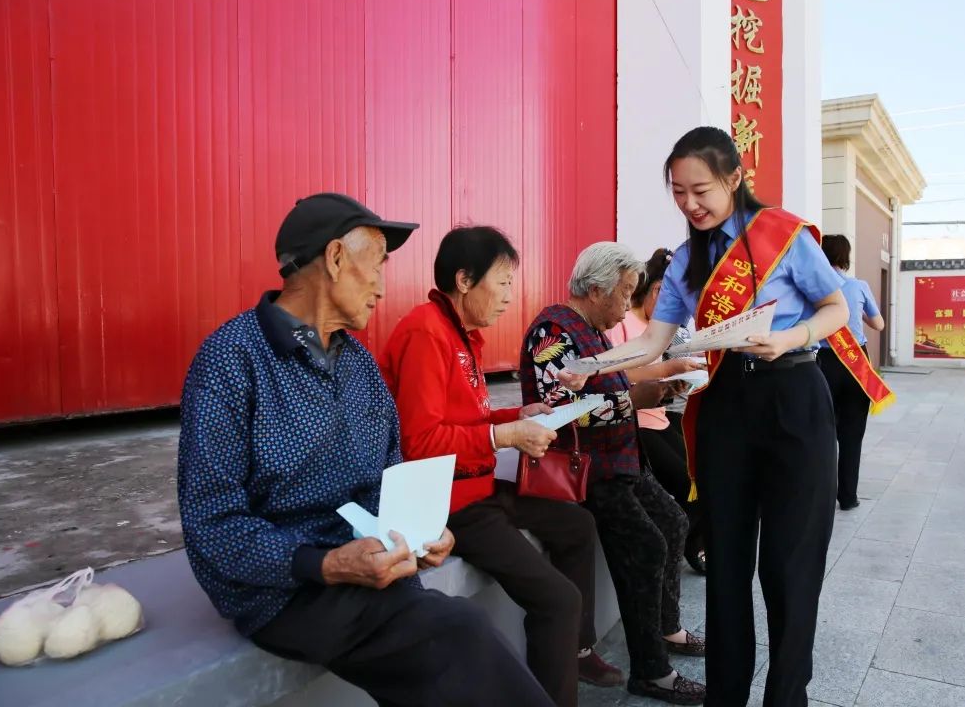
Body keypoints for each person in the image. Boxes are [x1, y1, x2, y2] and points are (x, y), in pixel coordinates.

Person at [177, 193, 555, 707]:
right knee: (456, 634)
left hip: (372, 570)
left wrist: (419, 533)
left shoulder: (358, 365)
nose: (382, 285)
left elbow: (388, 477)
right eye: (376, 266)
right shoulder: (231, 359)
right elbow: (211, 524)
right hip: (284, 591)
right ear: (335, 259)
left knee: (449, 648)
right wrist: (326, 564)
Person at [564, 126, 850, 707]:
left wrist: (790, 336)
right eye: (677, 193)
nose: (689, 204)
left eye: (701, 190)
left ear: (734, 179)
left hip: (793, 396)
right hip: (726, 408)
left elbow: (836, 307)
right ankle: (726, 695)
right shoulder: (688, 261)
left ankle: (786, 696)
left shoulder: (783, 235)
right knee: (725, 566)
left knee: (789, 570)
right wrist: (590, 365)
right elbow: (654, 343)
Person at [379, 226, 623, 706]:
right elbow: (421, 441)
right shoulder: (426, 331)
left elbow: (466, 417)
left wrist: (518, 415)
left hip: (480, 487)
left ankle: (577, 649)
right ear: (465, 279)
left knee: (577, 523)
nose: (510, 297)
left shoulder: (460, 334)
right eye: (504, 282)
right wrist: (504, 435)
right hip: (451, 504)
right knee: (557, 599)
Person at [521, 242, 707, 706]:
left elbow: (616, 388)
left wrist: (659, 390)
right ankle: (651, 672)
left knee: (675, 522)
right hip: (590, 472)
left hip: (621, 461)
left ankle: (667, 628)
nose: (628, 303)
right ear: (599, 287)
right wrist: (633, 402)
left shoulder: (594, 332)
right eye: (625, 293)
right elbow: (560, 411)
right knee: (647, 547)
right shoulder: (553, 331)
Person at [604, 248, 706, 574]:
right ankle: (686, 546)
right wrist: (666, 372)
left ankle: (689, 543)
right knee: (685, 484)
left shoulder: (655, 329)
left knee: (700, 478)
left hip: (659, 416)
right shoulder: (623, 327)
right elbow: (616, 376)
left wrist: (672, 382)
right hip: (635, 422)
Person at [817, 235, 885, 510]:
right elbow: (878, 324)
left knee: (821, 433)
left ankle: (819, 496)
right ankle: (847, 497)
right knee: (852, 433)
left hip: (822, 362)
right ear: (846, 256)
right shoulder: (858, 286)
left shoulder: (814, 288)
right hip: (856, 362)